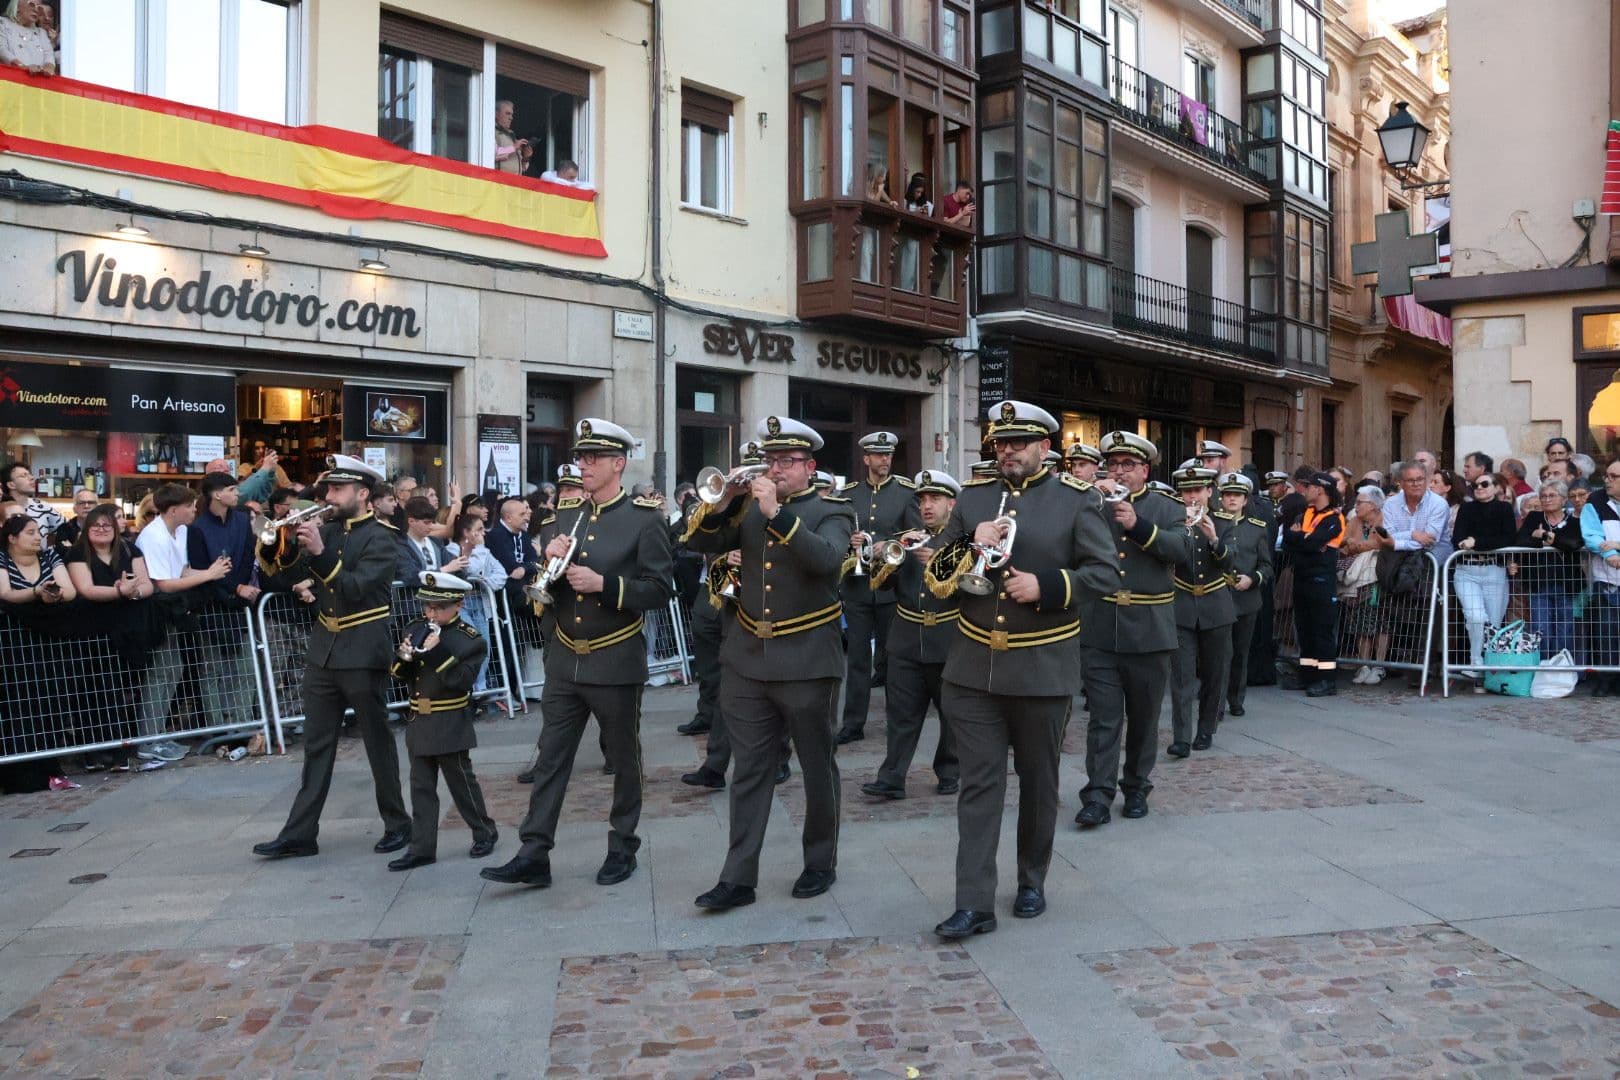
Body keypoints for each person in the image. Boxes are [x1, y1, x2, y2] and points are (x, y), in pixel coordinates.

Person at [925, 402, 1114, 938]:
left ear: (1045, 449)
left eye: (1019, 443)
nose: (1007, 451)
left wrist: (1048, 587)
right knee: (978, 787)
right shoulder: (974, 498)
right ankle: (973, 903)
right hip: (973, 667)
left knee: (1038, 782)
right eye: (1000, 443)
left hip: (1041, 666)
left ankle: (1031, 879)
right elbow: (937, 581)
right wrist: (967, 543)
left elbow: (1103, 575)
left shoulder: (1077, 501)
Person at [481, 419, 674, 891]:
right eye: (581, 457)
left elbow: (660, 589)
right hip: (566, 658)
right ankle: (534, 852)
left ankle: (622, 845)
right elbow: (542, 593)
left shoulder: (643, 518)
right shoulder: (564, 516)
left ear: (617, 464)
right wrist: (549, 562)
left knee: (624, 760)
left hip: (614, 656)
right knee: (550, 758)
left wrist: (605, 585)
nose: (582, 465)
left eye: (592, 459)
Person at [683, 415, 855, 912]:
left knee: (817, 766)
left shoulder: (831, 509)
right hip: (747, 657)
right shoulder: (749, 508)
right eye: (771, 460)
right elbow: (699, 542)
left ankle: (820, 861)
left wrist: (776, 513)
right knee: (751, 769)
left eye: (788, 461)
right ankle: (738, 876)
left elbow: (827, 561)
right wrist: (725, 503)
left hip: (807, 659)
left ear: (810, 466)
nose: (776, 469)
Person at [252, 456, 412, 860]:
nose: (328, 496)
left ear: (362, 494)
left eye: (338, 490)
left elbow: (357, 587)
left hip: (362, 648)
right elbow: (288, 577)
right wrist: (280, 545)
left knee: (377, 741)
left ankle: (398, 824)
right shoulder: (328, 529)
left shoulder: (383, 536)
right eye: (328, 489)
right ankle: (300, 833)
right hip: (323, 649)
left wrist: (320, 552)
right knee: (316, 745)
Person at [1076, 431, 1188, 828]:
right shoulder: (1091, 503)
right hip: (1101, 628)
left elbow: (1182, 551)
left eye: (1128, 465)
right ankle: (1098, 795)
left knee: (1143, 718)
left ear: (1145, 469)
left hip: (1149, 631)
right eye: (1114, 465)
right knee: (1104, 719)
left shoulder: (1165, 505)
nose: (1119, 472)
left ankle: (1137, 786)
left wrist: (1138, 525)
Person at [385, 571, 499, 872]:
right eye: (427, 607)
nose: (430, 613)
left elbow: (461, 681)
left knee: (461, 782)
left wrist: (438, 653)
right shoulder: (416, 627)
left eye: (438, 608)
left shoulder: (468, 641)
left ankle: (484, 831)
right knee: (421, 787)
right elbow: (398, 674)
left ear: (458, 606)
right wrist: (404, 657)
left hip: (449, 718)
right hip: (419, 718)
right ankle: (422, 848)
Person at [860, 469, 961, 801]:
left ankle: (950, 770)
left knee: (951, 712)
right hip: (905, 636)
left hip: (947, 637)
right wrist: (888, 555)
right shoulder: (907, 537)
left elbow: (976, 590)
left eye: (935, 499)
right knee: (901, 712)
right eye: (922, 500)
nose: (927, 506)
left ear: (952, 503)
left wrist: (942, 562)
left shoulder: (963, 542)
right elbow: (881, 583)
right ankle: (892, 777)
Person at [135, 483, 232, 763]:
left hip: (174, 611)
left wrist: (211, 571)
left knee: (172, 670)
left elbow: (184, 570)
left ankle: (157, 734)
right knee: (160, 674)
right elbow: (163, 584)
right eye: (189, 506)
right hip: (157, 613)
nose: (194, 510)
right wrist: (209, 574)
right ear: (174, 509)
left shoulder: (181, 530)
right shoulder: (153, 536)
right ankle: (148, 739)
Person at [835, 431, 920, 744]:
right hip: (857, 587)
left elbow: (917, 533)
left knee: (892, 660)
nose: (885, 460)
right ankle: (853, 723)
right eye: (879, 455)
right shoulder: (850, 494)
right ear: (866, 459)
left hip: (889, 587)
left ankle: (897, 722)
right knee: (857, 659)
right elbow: (837, 532)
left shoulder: (905, 492)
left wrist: (892, 543)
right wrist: (850, 540)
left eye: (888, 455)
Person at [64, 503, 158, 773]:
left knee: (124, 692)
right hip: (91, 631)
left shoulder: (130, 548)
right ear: (86, 529)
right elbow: (86, 589)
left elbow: (147, 583)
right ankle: (94, 752)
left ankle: (121, 750)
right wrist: (120, 592)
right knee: (92, 693)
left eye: (107, 525)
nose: (102, 530)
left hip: (128, 630)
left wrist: (133, 593)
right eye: (96, 526)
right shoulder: (78, 553)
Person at [1167, 463, 1234, 757]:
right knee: (1181, 676)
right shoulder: (1173, 521)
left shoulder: (1225, 521)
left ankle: (1206, 728)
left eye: (1197, 490)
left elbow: (1231, 564)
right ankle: (1181, 737)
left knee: (1213, 673)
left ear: (1210, 491)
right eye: (1186, 491)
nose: (1192, 497)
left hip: (1215, 605)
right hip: (1181, 604)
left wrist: (1214, 540)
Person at [186, 472, 260, 735]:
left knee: (245, 668)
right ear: (217, 494)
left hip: (240, 605)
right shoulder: (197, 528)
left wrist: (241, 587)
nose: (237, 492)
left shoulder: (241, 520)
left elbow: (249, 553)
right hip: (211, 605)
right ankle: (217, 730)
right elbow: (201, 569)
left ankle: (244, 724)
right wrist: (234, 588)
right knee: (212, 671)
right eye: (232, 488)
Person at [1284, 472, 1346, 697]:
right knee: (1305, 629)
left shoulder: (1334, 518)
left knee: (1322, 630)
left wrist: (1301, 539)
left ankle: (1327, 680)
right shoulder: (1306, 513)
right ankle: (1308, 675)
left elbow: (1311, 544)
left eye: (1309, 486)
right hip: (1302, 578)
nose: (1305, 489)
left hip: (1321, 580)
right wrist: (1303, 541)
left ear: (1320, 490)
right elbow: (1289, 540)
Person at [1451, 471, 1518, 679]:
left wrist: (1476, 543)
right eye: (1475, 485)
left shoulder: (1504, 509)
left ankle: (1491, 663)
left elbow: (1507, 539)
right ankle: (1476, 661)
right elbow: (1458, 538)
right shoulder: (1467, 508)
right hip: (1467, 570)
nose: (1479, 488)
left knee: (1494, 621)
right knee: (1475, 616)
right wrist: (1474, 543)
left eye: (1484, 484)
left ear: (1496, 486)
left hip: (1494, 570)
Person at [1217, 472, 1272, 716]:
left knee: (1240, 652)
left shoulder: (1256, 528)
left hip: (1246, 599)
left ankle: (1236, 698)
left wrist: (1253, 579)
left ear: (1245, 500)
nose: (1232, 499)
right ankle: (1215, 702)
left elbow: (1266, 565)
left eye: (1237, 495)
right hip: (1218, 597)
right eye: (1227, 495)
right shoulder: (1212, 525)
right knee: (1220, 653)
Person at [445, 511, 506, 705]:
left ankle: (481, 689)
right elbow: (469, 570)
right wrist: (475, 553)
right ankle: (468, 689)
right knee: (468, 644)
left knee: (483, 646)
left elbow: (501, 574)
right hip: (461, 604)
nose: (483, 534)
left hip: (479, 602)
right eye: (478, 530)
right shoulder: (452, 550)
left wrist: (484, 582)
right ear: (466, 532)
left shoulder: (484, 551)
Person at [1517, 480, 1582, 664]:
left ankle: (1564, 669)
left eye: (1551, 495)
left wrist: (1546, 538)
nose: (1546, 499)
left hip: (1566, 584)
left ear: (1563, 499)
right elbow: (1520, 541)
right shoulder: (1534, 518)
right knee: (1541, 629)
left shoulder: (1574, 521)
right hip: (1539, 582)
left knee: (1565, 629)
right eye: (1543, 496)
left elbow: (1574, 544)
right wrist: (1547, 540)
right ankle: (1544, 668)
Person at [1341, 486, 1393, 685]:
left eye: (1359, 502)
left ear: (1373, 506)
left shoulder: (1384, 519)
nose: (1356, 506)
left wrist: (1354, 544)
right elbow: (1343, 545)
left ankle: (1378, 665)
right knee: (1360, 621)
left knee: (1381, 621)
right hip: (1357, 579)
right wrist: (1355, 544)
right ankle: (1363, 664)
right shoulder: (1354, 520)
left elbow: (1377, 543)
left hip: (1379, 576)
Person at [1580, 460, 1620, 695]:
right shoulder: (1595, 501)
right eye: (1606, 476)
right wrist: (1611, 553)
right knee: (1606, 631)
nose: (1607, 480)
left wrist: (1616, 546)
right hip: (1606, 578)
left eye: (1613, 477)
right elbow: (1592, 534)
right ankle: (1606, 680)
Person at [1382, 461, 1453, 564]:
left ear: (1427, 480)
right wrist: (1412, 534)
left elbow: (1429, 542)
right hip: (1400, 562)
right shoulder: (1390, 504)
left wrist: (1396, 544)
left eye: (1420, 479)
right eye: (1410, 480)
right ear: (1401, 483)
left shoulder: (1439, 504)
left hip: (1433, 565)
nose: (1416, 484)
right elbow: (1388, 536)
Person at [397, 496, 462, 578]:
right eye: (426, 523)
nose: (431, 526)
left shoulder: (436, 542)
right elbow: (410, 575)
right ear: (411, 521)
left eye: (431, 522)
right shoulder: (401, 545)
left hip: (441, 589)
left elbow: (456, 567)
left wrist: (466, 552)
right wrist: (443, 570)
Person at [3, 460, 64, 541]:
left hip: (39, 553)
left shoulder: (43, 506)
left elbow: (65, 528)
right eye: (24, 475)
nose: (31, 478)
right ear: (11, 485)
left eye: (30, 474)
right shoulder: (3, 509)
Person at [0, 0, 56, 75]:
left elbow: (49, 57)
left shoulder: (41, 33)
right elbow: (2, 50)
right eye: (32, 4)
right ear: (17, 6)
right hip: (10, 81)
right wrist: (23, 67)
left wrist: (49, 68)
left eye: (39, 7)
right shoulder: (2, 23)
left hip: (36, 84)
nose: (36, 9)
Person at [494, 99, 534, 176]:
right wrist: (514, 147)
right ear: (496, 114)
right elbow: (492, 154)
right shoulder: (489, 132)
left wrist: (526, 157)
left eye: (511, 115)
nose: (511, 118)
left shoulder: (511, 135)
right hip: (498, 181)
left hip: (513, 183)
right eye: (507, 113)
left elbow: (523, 168)